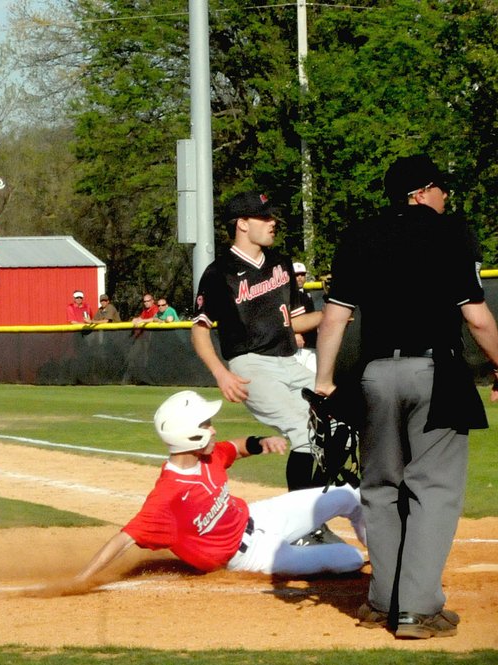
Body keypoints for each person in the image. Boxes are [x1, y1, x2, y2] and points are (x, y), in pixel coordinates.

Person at [315, 153, 498, 639]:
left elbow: (335, 319)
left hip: (375, 374)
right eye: (441, 188)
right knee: (434, 489)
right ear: (423, 192)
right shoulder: (449, 233)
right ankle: (417, 610)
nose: (445, 197)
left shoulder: (358, 235)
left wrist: (324, 381)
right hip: (434, 372)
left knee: (380, 489)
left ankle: (382, 601)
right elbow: (477, 317)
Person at [72, 391, 367, 587]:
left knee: (348, 495)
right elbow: (122, 540)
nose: (213, 429)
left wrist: (260, 442)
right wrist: (81, 579)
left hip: (260, 516)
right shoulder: (167, 497)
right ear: (189, 434)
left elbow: (235, 449)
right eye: (206, 424)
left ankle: (386, 555)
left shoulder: (208, 456)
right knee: (350, 559)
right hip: (251, 556)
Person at [191, 192, 326, 498]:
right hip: (252, 365)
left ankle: (318, 511)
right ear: (241, 223)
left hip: (291, 360)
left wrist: (332, 315)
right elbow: (199, 331)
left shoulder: (281, 263)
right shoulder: (218, 273)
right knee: (303, 431)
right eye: (264, 217)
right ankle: (304, 523)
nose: (272, 222)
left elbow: (295, 323)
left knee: (336, 424)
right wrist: (221, 374)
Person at [292, 262, 318, 372]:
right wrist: (296, 333)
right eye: (296, 275)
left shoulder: (307, 294)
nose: (299, 278)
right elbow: (285, 317)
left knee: (312, 378)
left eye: (302, 275)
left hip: (311, 343)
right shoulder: (288, 294)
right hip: (298, 346)